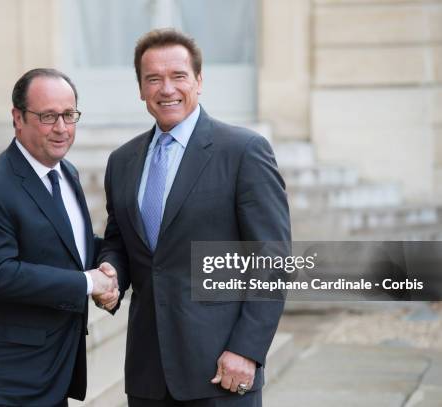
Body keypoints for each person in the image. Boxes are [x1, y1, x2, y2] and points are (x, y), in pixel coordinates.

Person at [99, 29, 291, 407]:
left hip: (222, 368)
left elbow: (272, 260)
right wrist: (110, 272)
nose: (166, 88)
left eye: (178, 76)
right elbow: (119, 242)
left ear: (199, 81)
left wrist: (247, 349)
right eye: (153, 78)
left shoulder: (243, 152)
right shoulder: (121, 162)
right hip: (147, 373)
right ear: (140, 89)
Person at [0, 68, 118, 407]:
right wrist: (87, 283)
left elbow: (75, 246)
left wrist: (110, 266)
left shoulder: (66, 172)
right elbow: (0, 276)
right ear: (17, 118)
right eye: (48, 117)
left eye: (69, 115)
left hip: (49, 373)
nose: (62, 128)